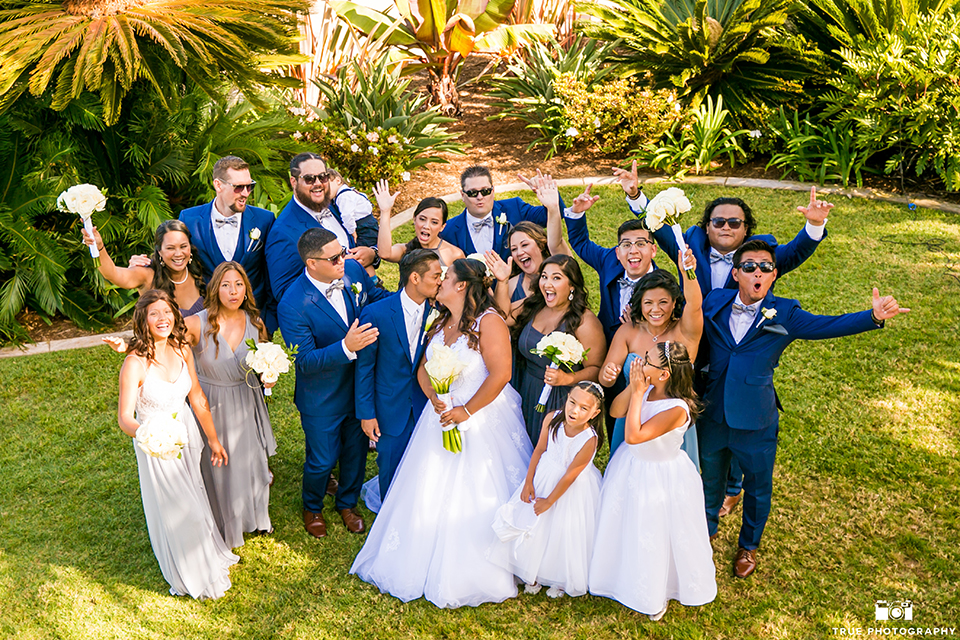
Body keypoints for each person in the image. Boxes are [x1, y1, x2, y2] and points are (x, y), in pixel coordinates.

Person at [699, 239, 908, 578]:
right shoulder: (715, 301)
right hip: (713, 414)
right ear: (735, 273)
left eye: (765, 267)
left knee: (757, 485)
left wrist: (872, 316)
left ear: (774, 275)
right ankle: (705, 534)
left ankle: (748, 546)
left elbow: (828, 326)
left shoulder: (786, 313)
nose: (758, 272)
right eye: (749, 266)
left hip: (756, 418)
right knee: (709, 480)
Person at [350, 258, 533, 609]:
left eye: (446, 277)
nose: (441, 281)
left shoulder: (489, 322)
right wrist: (435, 396)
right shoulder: (440, 321)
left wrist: (465, 410)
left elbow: (501, 374)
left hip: (480, 416)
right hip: (441, 416)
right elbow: (423, 368)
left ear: (462, 285)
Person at [104, 262, 278, 548]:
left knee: (251, 461)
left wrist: (268, 376)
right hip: (213, 401)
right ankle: (223, 524)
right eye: (225, 285)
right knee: (219, 466)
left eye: (238, 284)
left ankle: (255, 518)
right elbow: (164, 342)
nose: (233, 291)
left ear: (246, 289)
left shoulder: (255, 322)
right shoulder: (198, 322)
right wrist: (129, 344)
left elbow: (259, 363)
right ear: (214, 289)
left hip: (247, 401)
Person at [114, 289, 237, 599]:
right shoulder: (134, 364)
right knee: (182, 510)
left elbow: (196, 396)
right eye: (154, 313)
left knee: (196, 497)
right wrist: (148, 435)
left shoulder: (181, 348)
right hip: (156, 444)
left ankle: (206, 558)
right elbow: (125, 419)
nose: (162, 318)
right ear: (143, 320)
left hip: (187, 433)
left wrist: (213, 439)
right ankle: (189, 575)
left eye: (166, 312)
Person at [589, 342, 716, 620]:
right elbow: (615, 412)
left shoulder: (677, 409)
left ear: (664, 375)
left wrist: (637, 394)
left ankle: (655, 592)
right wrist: (634, 389)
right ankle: (617, 575)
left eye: (648, 361)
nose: (640, 363)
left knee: (654, 531)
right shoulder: (645, 388)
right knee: (626, 523)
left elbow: (635, 435)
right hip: (631, 466)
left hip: (659, 476)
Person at [277, 227, 388, 539]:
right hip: (321, 398)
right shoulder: (293, 304)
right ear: (312, 264)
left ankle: (347, 503)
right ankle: (312, 506)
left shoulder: (352, 270)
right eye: (335, 257)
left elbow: (376, 297)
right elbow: (305, 361)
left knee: (355, 452)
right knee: (322, 458)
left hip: (359, 388)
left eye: (343, 251)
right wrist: (346, 347)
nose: (345, 259)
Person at [492, 382, 604, 599]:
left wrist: (550, 501)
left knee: (562, 531)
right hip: (545, 475)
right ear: (567, 398)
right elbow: (540, 449)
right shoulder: (552, 418)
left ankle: (559, 576)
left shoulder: (589, 440)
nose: (574, 411)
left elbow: (571, 476)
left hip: (569, 489)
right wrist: (528, 482)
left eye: (584, 408)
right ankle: (530, 568)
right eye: (572, 402)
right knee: (535, 525)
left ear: (595, 413)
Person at [356, 249, 444, 501]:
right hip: (389, 407)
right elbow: (365, 368)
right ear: (415, 278)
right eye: (436, 275)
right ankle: (388, 517)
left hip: (425, 404)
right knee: (391, 465)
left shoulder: (439, 312)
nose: (440, 281)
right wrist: (367, 414)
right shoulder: (376, 313)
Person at [599, 258, 702, 461]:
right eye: (648, 303)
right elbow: (605, 379)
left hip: (671, 420)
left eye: (663, 302)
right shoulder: (628, 331)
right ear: (640, 303)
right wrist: (608, 374)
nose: (656, 309)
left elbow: (695, 306)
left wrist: (688, 272)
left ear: (674, 303)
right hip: (631, 415)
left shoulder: (685, 331)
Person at [506, 255, 607, 443]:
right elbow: (500, 317)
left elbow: (596, 370)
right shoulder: (532, 305)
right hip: (525, 388)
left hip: (559, 400)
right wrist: (502, 281)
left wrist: (568, 378)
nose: (547, 283)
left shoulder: (585, 322)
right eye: (544, 276)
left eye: (556, 278)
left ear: (572, 286)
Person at [177, 155, 278, 333]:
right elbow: (176, 260)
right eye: (238, 187)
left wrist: (267, 323)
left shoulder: (265, 220)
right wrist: (145, 264)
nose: (246, 193)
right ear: (218, 185)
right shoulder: (189, 219)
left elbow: (270, 273)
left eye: (249, 186)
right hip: (205, 322)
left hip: (252, 320)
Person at [266, 153, 380, 303]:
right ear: (293, 182)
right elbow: (284, 292)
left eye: (323, 177)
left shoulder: (336, 205)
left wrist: (372, 254)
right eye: (309, 179)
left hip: (366, 301)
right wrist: (331, 269)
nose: (318, 183)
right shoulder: (283, 231)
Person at [438, 165, 565, 261]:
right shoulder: (448, 230)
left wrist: (549, 196)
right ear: (462, 195)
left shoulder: (514, 208)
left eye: (485, 191)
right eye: (472, 193)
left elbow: (549, 215)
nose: (480, 197)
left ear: (493, 191)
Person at [83, 220, 206, 317]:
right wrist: (99, 247)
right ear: (159, 251)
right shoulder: (147, 274)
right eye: (170, 248)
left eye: (183, 246)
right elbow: (113, 274)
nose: (178, 253)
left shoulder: (199, 270)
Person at [485, 173, 572, 308]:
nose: (519, 252)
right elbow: (503, 318)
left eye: (524, 245)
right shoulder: (512, 285)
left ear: (541, 244)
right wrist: (502, 282)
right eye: (514, 249)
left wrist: (553, 208)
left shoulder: (561, 264)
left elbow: (556, 242)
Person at [373, 182, 465, 267]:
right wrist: (385, 211)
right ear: (414, 219)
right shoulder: (405, 250)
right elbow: (385, 253)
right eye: (422, 219)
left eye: (434, 222)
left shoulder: (454, 255)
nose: (426, 226)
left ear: (442, 227)